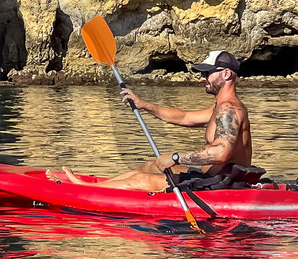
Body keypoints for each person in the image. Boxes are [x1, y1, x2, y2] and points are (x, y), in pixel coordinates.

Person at [59, 50, 252, 191]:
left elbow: (221, 152)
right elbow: (183, 117)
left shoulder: (229, 110)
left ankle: (86, 190)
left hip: (223, 186)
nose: (202, 79)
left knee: (143, 179)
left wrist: (175, 157)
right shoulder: (220, 108)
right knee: (151, 166)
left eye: (207, 73)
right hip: (212, 178)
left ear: (226, 74)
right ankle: (99, 186)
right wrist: (143, 104)